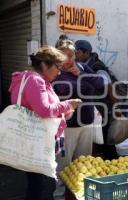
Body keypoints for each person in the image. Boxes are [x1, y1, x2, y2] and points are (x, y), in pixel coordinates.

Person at [8, 46, 81, 200]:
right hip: (35, 140)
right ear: (44, 65)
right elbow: (44, 110)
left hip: (30, 136)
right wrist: (68, 104)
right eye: (57, 67)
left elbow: (35, 107)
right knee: (36, 185)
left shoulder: (28, 78)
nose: (59, 72)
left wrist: (62, 112)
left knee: (35, 182)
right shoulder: (36, 81)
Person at [53, 35, 105, 200]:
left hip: (87, 123)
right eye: (64, 55)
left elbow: (100, 84)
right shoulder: (55, 72)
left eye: (72, 55)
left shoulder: (82, 67)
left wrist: (80, 74)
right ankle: (59, 196)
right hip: (66, 126)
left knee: (83, 165)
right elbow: (62, 93)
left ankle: (81, 194)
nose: (69, 59)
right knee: (63, 166)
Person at [75, 40, 120, 160]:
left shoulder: (97, 66)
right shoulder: (81, 65)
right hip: (91, 108)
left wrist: (116, 106)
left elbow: (109, 87)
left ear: (86, 53)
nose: (75, 55)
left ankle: (112, 163)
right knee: (95, 140)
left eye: (78, 52)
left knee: (106, 139)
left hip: (102, 108)